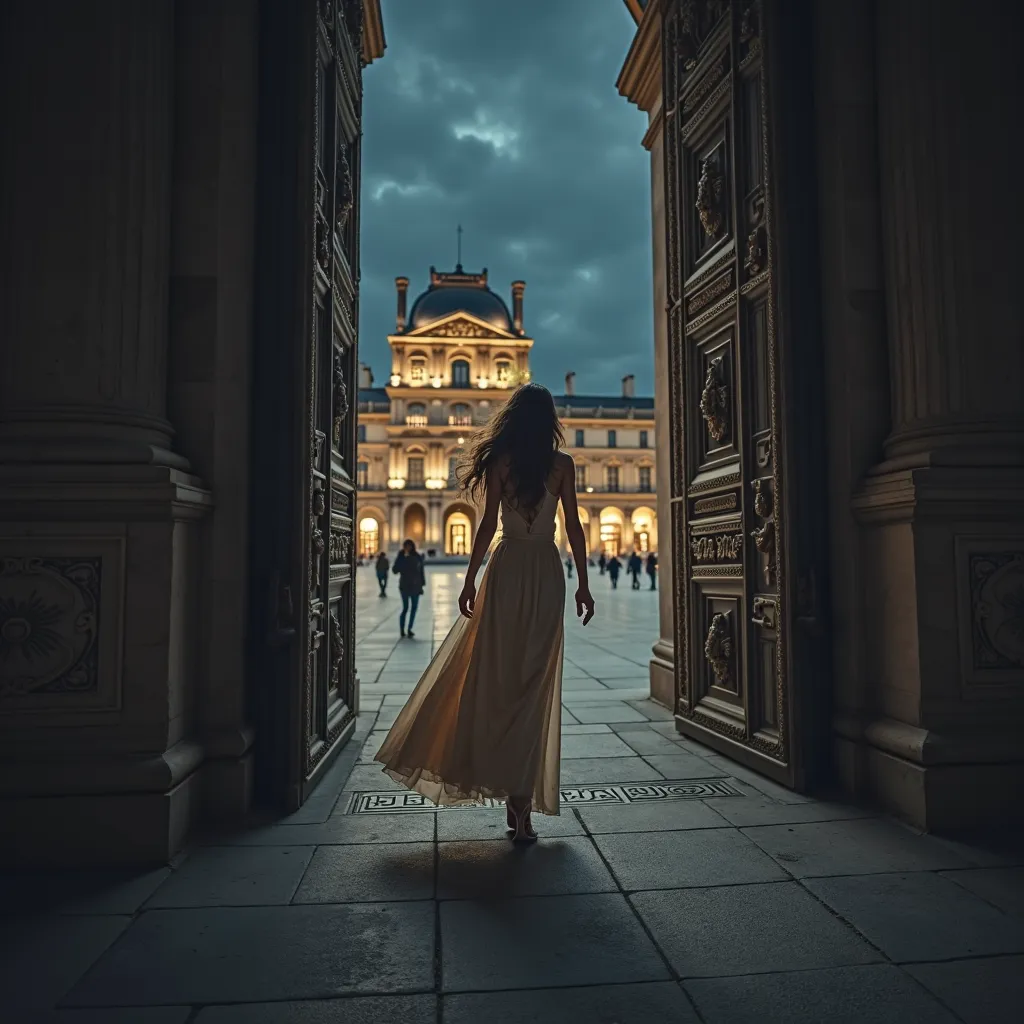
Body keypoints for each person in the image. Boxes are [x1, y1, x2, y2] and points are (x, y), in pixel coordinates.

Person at [375, 383, 595, 842]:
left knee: (496, 677)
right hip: (545, 571)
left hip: (508, 566)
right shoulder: (562, 466)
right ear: (549, 419)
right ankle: (521, 805)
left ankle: (509, 791)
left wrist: (471, 577)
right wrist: (585, 585)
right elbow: (572, 525)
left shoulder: (501, 462)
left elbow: (489, 524)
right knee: (534, 686)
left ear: (513, 419)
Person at [392, 539, 425, 638]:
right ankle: (402, 629)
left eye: (409, 546)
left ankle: (410, 628)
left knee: (414, 608)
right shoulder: (401, 556)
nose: (408, 548)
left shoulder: (417, 556)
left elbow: (421, 571)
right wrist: (404, 559)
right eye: (406, 546)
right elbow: (395, 570)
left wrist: (422, 584)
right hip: (405, 586)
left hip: (415, 585)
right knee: (405, 608)